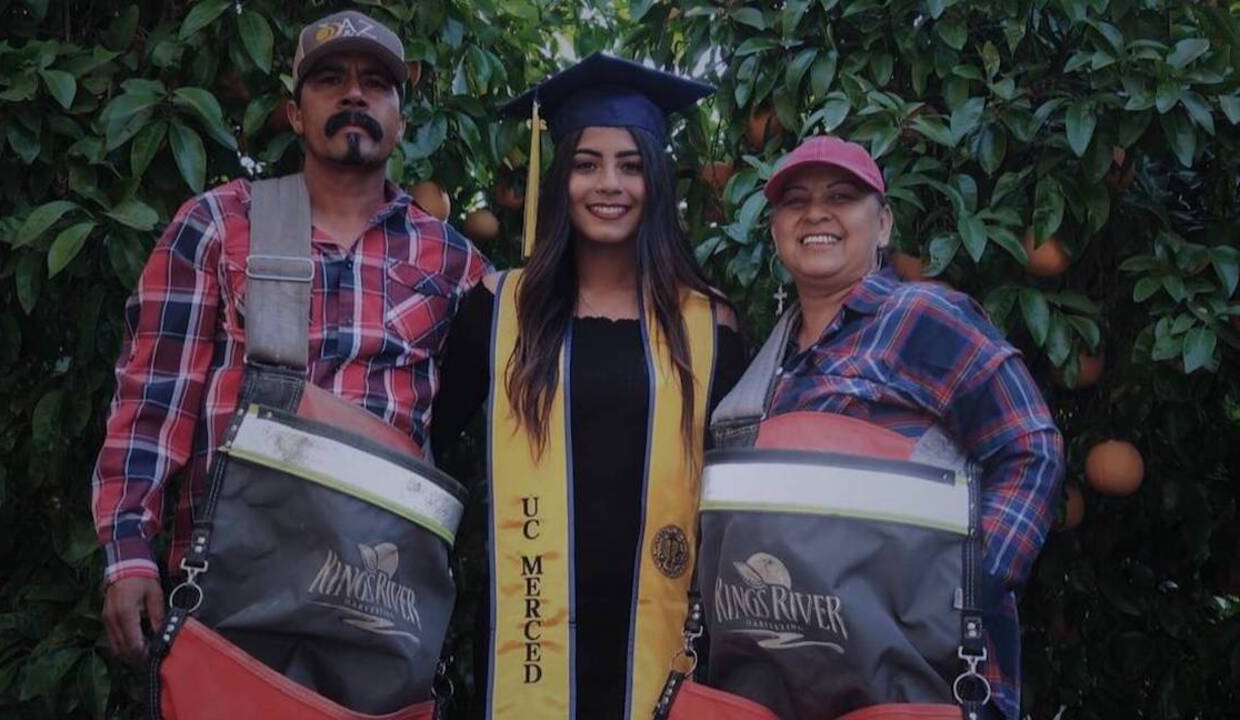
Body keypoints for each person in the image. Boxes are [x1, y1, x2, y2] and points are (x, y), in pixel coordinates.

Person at [92, 9, 488, 666]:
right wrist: (129, 553)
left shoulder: (455, 263)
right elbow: (152, 403)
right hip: (229, 592)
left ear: (401, 122)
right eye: (330, 79)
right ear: (296, 114)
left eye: (376, 84)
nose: (354, 94)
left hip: (380, 598)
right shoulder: (219, 223)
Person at [700, 135, 1062, 720]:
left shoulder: (923, 318)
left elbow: (1030, 447)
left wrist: (966, 590)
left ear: (885, 223)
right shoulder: (768, 360)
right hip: (778, 690)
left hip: (917, 688)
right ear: (774, 231)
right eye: (795, 201)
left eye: (842, 196)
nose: (816, 212)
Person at [430, 53, 747, 720]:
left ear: (657, 180)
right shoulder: (500, 307)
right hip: (530, 632)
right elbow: (424, 444)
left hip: (671, 636)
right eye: (586, 164)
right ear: (560, 177)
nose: (610, 185)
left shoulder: (708, 322)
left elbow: (741, 492)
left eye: (631, 165)